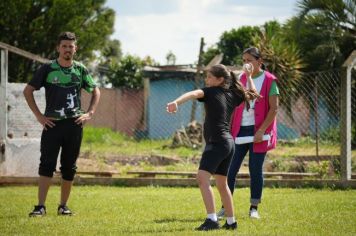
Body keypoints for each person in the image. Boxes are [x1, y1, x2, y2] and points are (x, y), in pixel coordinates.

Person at [166, 64, 260, 231]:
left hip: (217, 143)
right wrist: (250, 77)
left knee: (202, 179)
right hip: (228, 143)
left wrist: (176, 102)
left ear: (220, 79)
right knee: (222, 185)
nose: (206, 80)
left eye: (209, 77)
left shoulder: (210, 92)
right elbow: (252, 94)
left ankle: (212, 220)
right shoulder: (232, 94)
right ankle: (231, 222)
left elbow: (193, 93)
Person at [23, 32, 100, 217]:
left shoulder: (80, 70)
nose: (67, 49)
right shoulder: (48, 68)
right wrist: (39, 116)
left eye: (71, 46)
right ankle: (40, 206)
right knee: (46, 164)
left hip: (74, 125)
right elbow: (28, 91)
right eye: (64, 46)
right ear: (58, 48)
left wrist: (89, 113)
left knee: (69, 166)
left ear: (76, 49)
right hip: (52, 125)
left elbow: (96, 90)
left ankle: (63, 206)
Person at [217, 47, 279, 220]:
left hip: (260, 131)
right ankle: (225, 207)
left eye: (249, 60)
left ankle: (254, 208)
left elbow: (274, 109)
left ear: (259, 61)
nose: (246, 64)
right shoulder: (240, 79)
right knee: (229, 169)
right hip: (239, 131)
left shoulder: (270, 80)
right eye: (243, 60)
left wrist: (261, 131)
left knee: (255, 169)